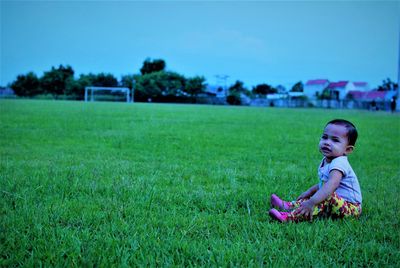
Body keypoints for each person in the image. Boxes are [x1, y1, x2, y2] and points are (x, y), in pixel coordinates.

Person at [269, 119, 362, 222]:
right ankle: (287, 205)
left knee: (323, 195)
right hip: (337, 203)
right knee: (319, 194)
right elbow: (324, 184)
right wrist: (309, 191)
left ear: (347, 150)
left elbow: (331, 185)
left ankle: (290, 217)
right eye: (325, 137)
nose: (327, 142)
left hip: (351, 209)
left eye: (335, 140)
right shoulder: (328, 160)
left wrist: (311, 202)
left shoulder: (339, 163)